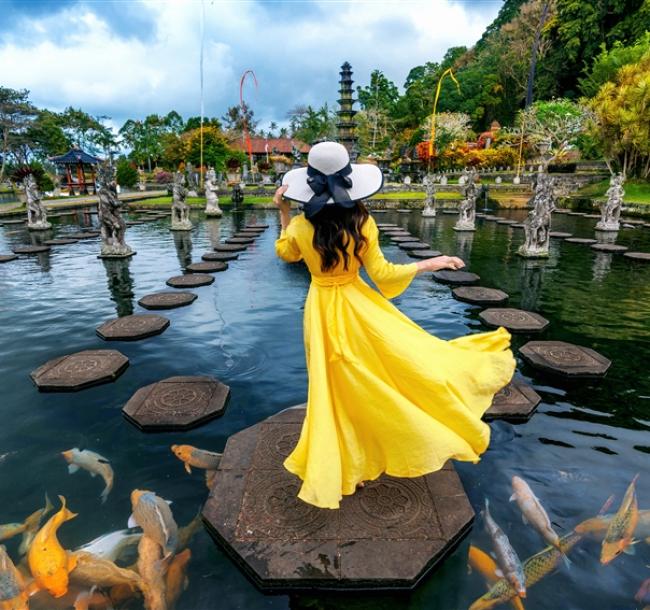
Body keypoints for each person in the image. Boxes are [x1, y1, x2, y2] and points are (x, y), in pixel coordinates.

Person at [275, 142, 515, 510]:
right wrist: (428, 264)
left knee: (332, 385)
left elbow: (286, 253)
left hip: (321, 309)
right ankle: (374, 444)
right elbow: (384, 275)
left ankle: (345, 456)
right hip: (357, 306)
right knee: (382, 372)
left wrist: (284, 210)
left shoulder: (301, 226)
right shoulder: (362, 222)